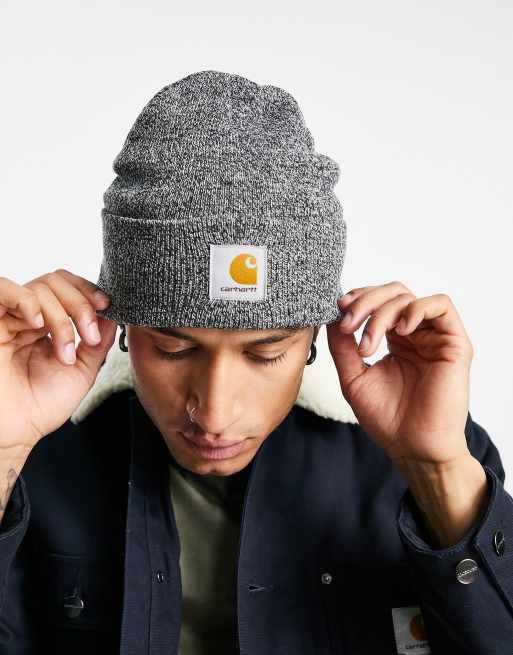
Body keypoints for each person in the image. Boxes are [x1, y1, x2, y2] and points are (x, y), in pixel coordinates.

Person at [0, 70, 511, 655]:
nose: (214, 413)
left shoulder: (428, 448)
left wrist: (436, 471)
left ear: (315, 334)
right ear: (121, 328)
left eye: (265, 353)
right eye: (173, 348)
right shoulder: (40, 451)